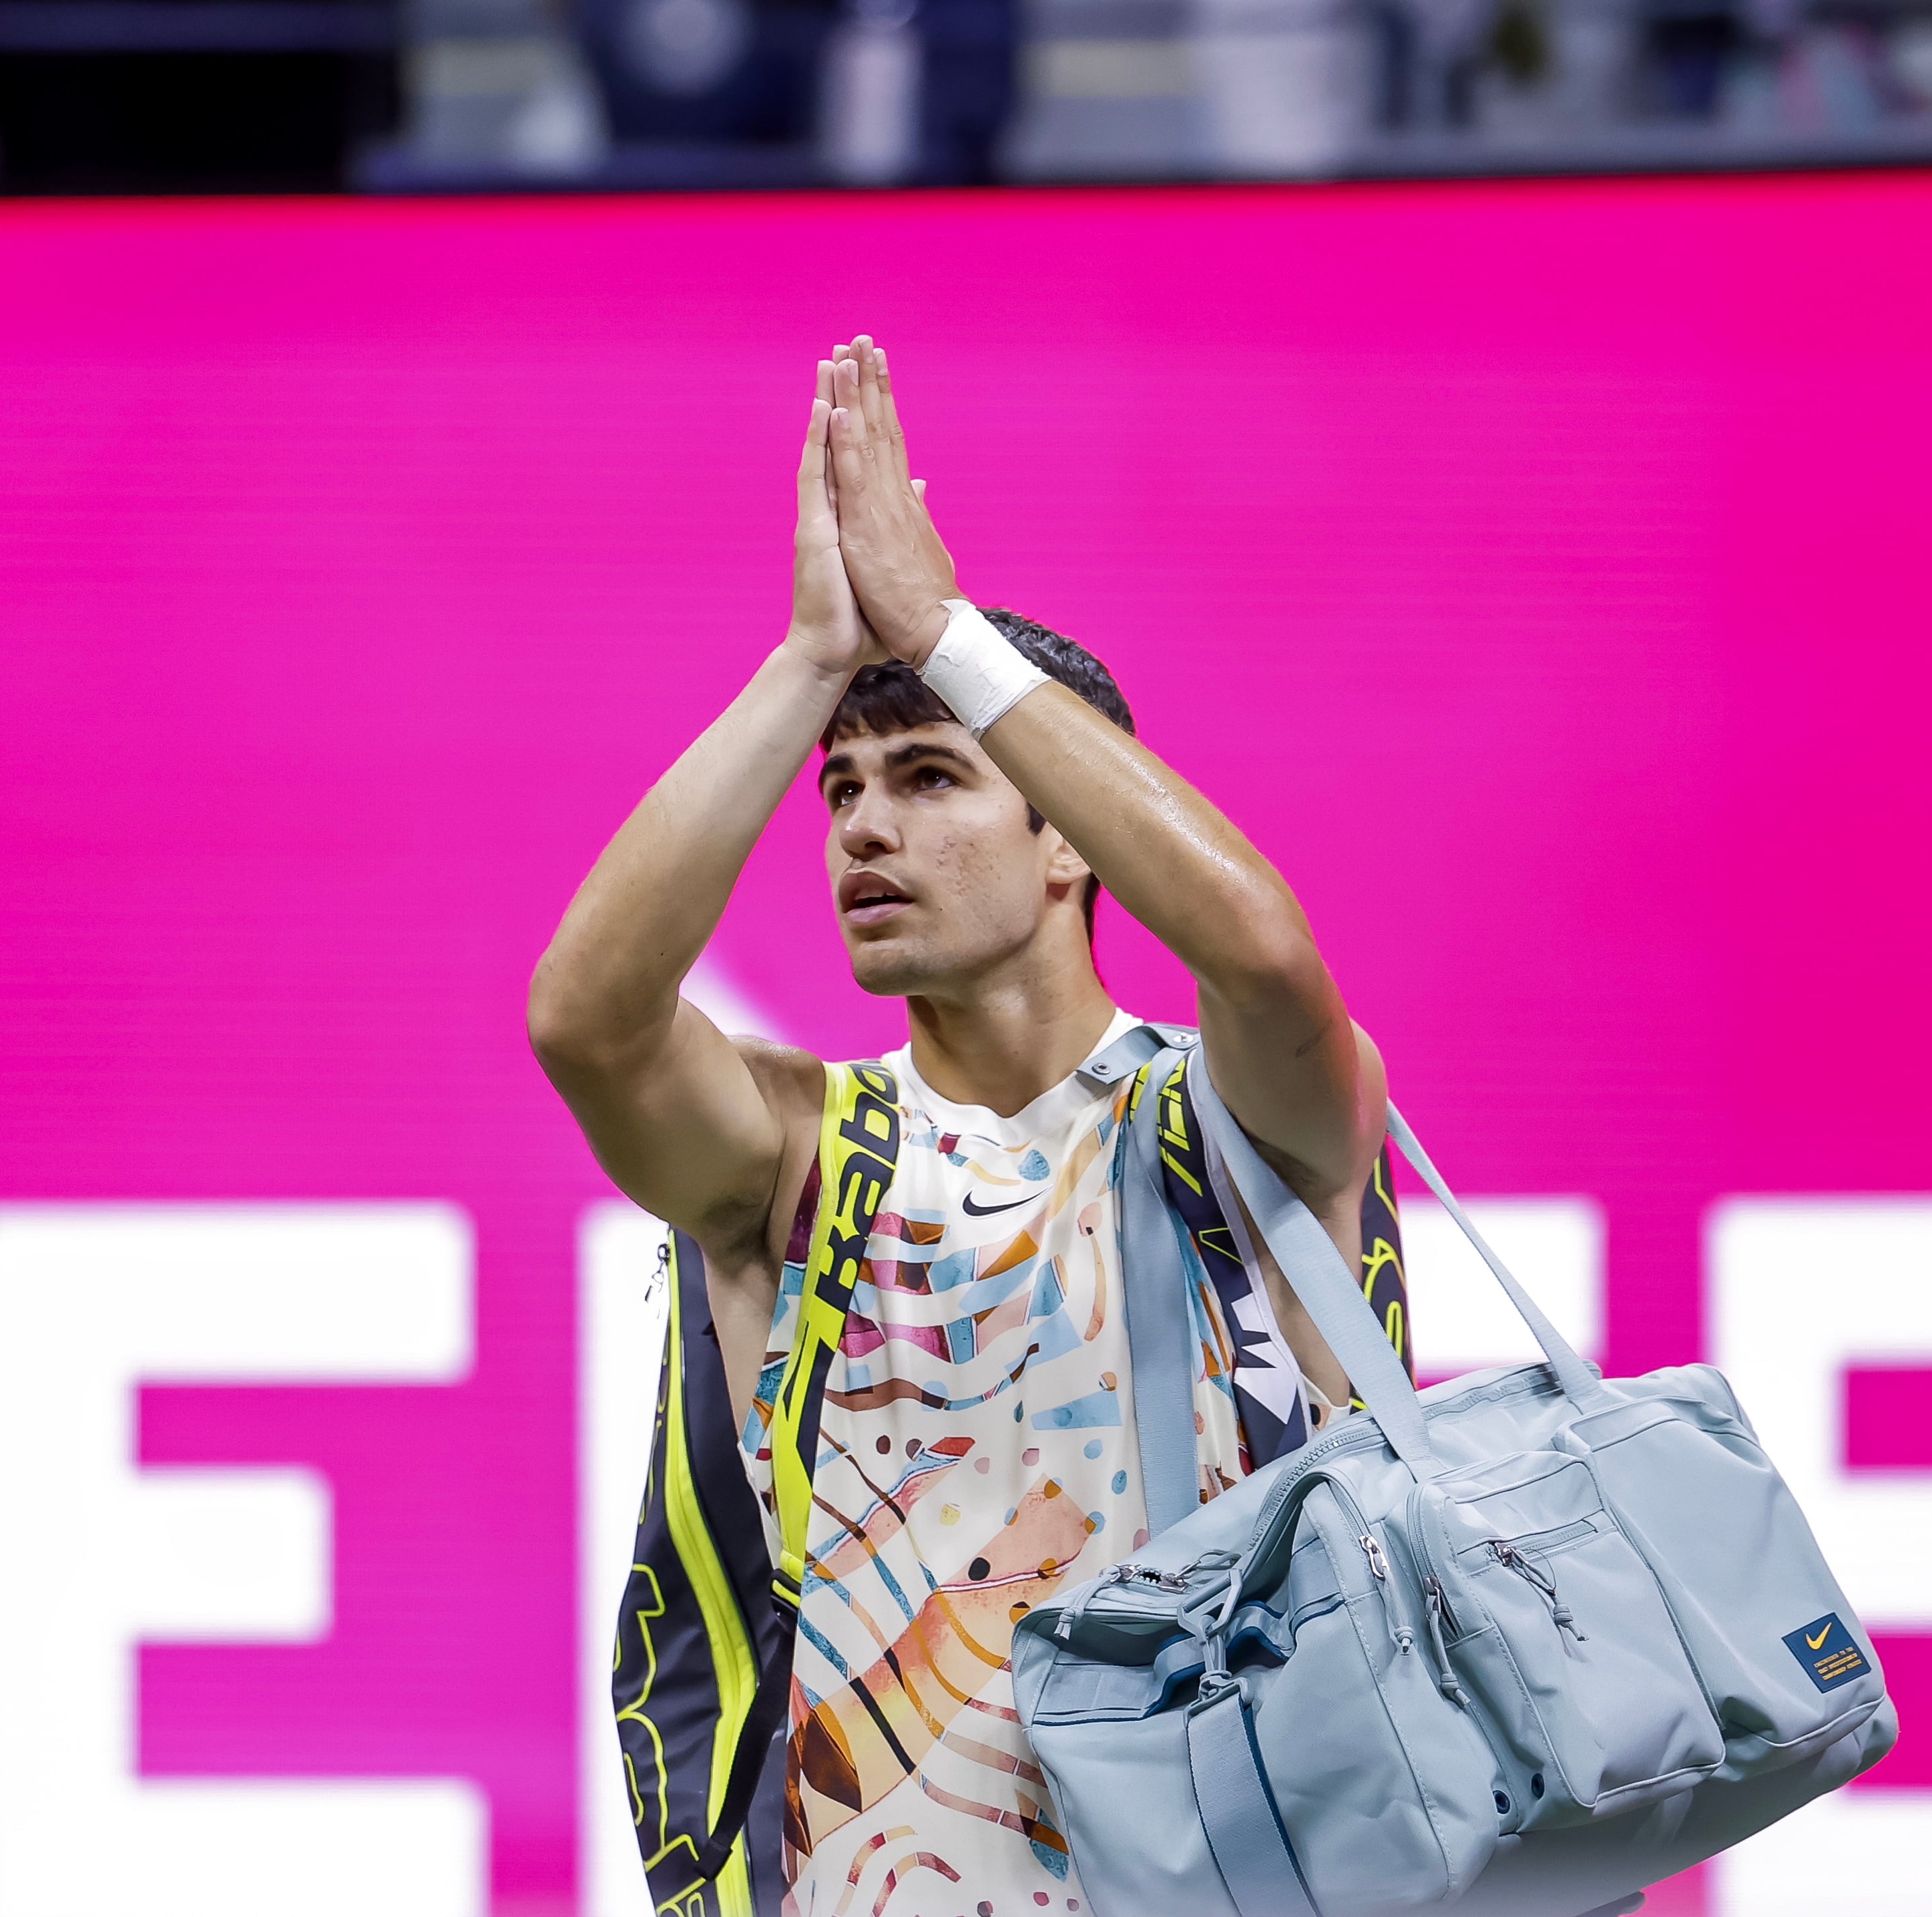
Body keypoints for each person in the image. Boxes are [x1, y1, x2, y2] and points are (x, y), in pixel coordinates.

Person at [531, 339, 1405, 1914]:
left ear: (1066, 832)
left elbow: (1268, 958)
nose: (864, 825)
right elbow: (583, 1020)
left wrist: (945, 634)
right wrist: (813, 661)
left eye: (930, 774)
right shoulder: (797, 1148)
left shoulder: (1238, 1112)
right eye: (841, 789)